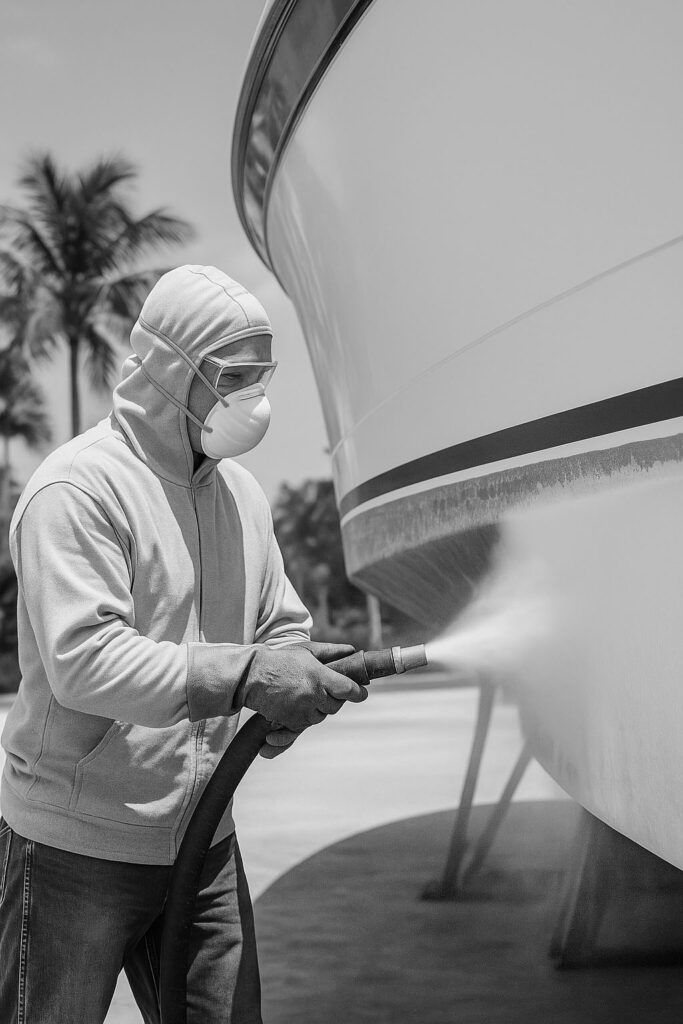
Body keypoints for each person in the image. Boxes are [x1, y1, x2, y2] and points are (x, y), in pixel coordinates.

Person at [0, 265, 366, 1023]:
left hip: (205, 846)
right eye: (233, 376)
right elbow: (87, 663)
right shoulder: (76, 490)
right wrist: (248, 677)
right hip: (77, 850)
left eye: (261, 376)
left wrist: (289, 685)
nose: (253, 399)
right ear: (172, 373)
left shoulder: (242, 495)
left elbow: (279, 628)